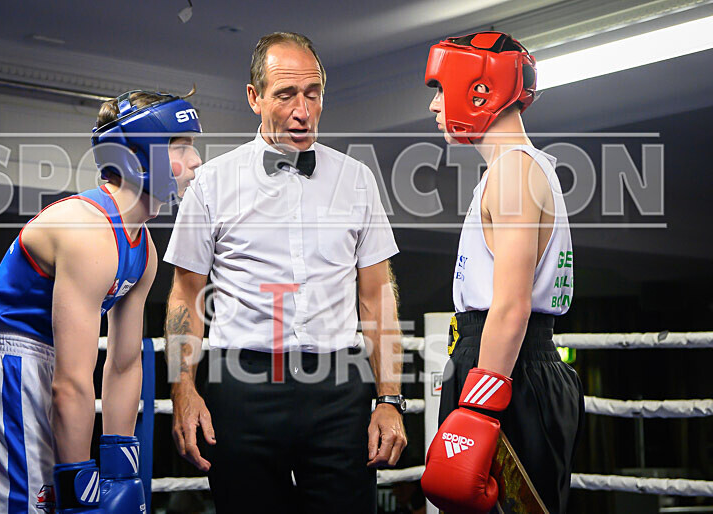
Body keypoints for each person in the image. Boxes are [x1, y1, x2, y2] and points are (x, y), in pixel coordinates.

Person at [164, 32, 406, 513]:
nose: (303, 110)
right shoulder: (212, 183)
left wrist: (391, 399)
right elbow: (184, 296)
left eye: (312, 93)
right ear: (254, 97)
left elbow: (377, 295)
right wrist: (183, 389)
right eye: (286, 94)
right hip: (242, 385)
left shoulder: (356, 180)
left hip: (338, 386)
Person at [0, 90, 202, 513]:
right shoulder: (88, 231)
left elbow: (123, 364)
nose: (195, 162)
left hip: (51, 368)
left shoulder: (144, 249)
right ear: (135, 154)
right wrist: (80, 481)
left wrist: (121, 469)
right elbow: (72, 381)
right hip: (13, 367)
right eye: (180, 146)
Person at [418, 32, 584, 513]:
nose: (433, 106)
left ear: (478, 91)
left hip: (507, 367)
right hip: (511, 363)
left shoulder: (514, 172)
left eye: (439, 90)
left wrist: (477, 408)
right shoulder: (517, 169)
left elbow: (510, 307)